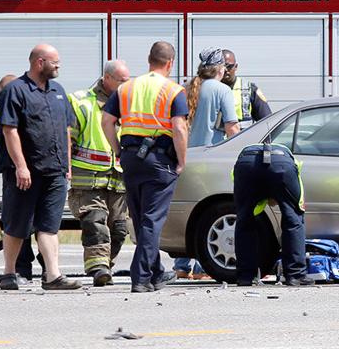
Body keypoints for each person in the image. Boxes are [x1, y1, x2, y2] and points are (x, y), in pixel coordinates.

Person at [102, 41, 189, 293]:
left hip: (130, 158)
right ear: (170, 63)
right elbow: (179, 127)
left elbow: (107, 121)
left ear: (148, 60)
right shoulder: (173, 90)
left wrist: (117, 150)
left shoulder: (126, 88)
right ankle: (140, 277)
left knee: (140, 219)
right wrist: (182, 161)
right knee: (152, 220)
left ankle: (156, 273)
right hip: (160, 160)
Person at [0, 44, 81, 291]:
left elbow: (65, 129)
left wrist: (67, 165)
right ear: (39, 62)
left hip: (54, 171)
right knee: (17, 225)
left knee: (49, 225)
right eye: (55, 62)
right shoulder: (15, 90)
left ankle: (53, 275)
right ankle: (9, 273)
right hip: (26, 173)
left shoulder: (58, 91)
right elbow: (9, 130)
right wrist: (21, 167)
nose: (58, 66)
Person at [172, 47, 241, 279]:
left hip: (186, 158)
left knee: (189, 211)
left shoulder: (186, 88)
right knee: (209, 213)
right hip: (211, 159)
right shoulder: (222, 90)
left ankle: (181, 266)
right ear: (221, 68)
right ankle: (203, 268)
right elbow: (232, 128)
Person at [68, 60, 130, 287]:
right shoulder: (82, 102)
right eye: (122, 81)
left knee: (120, 229)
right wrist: (66, 168)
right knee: (95, 222)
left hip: (118, 180)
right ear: (107, 78)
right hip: (88, 178)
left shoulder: (129, 103)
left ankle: (106, 265)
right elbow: (68, 137)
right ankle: (99, 268)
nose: (127, 85)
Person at [233, 143, 312, 286]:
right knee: (294, 219)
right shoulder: (292, 165)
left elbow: (244, 210)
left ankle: (245, 276)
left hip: (246, 164)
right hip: (282, 165)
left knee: (244, 221)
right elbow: (298, 211)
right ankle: (295, 276)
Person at [0, 74, 43, 283]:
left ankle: (46, 267)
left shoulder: (30, 113)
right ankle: (21, 269)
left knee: (41, 223)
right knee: (17, 223)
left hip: (34, 173)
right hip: (11, 173)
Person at [221, 49, 272, 128]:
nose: (226, 70)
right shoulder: (209, 90)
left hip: (243, 139)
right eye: (222, 66)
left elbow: (267, 121)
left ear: (236, 66)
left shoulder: (249, 89)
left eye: (229, 66)